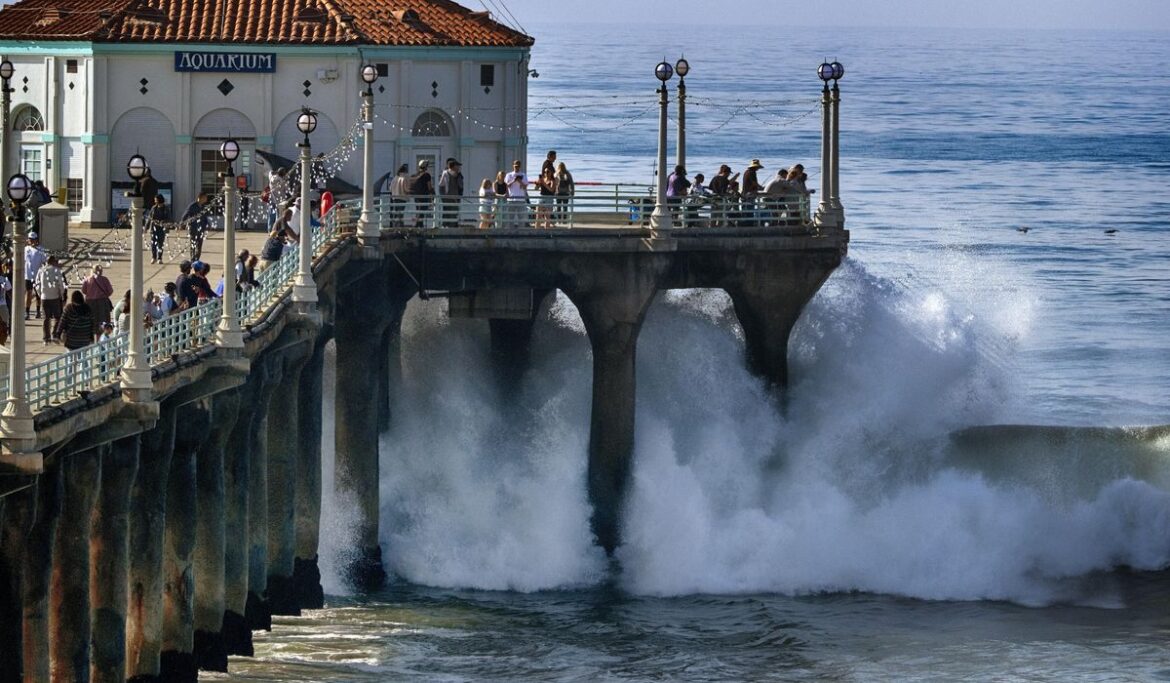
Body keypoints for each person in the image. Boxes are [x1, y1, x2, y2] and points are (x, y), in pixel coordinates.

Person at [35, 255, 67, 344]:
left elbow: (37, 284)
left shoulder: (41, 270)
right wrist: (62, 294)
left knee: (46, 318)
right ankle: (54, 335)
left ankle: (46, 338)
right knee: (58, 317)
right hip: (55, 297)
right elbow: (61, 284)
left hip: (44, 297)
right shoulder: (57, 270)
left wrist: (40, 294)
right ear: (53, 261)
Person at [80, 264, 115, 335]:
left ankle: (92, 336)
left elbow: (83, 291)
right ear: (101, 271)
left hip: (90, 303)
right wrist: (104, 295)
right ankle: (102, 337)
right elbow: (110, 291)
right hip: (102, 302)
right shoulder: (104, 279)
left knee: (91, 320)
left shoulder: (87, 279)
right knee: (103, 321)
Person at [24, 231, 47, 320]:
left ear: (36, 240)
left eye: (33, 239)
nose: (31, 241)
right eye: (30, 239)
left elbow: (44, 262)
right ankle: (27, 312)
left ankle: (38, 311)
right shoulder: (25, 249)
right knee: (28, 293)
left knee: (38, 294)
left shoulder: (41, 249)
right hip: (28, 275)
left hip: (38, 276)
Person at [182, 193, 212, 260]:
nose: (206, 199)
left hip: (201, 229)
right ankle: (193, 259)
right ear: (200, 198)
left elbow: (205, 217)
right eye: (205, 197)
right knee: (193, 244)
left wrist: (208, 224)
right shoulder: (192, 206)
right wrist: (182, 223)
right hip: (193, 228)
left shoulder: (203, 207)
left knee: (199, 245)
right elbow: (186, 214)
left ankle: (197, 259)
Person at [438, 158, 464, 228]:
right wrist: (443, 196)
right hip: (447, 197)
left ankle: (453, 225)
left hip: (455, 197)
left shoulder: (458, 175)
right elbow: (441, 185)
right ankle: (445, 226)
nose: (459, 167)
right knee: (447, 211)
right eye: (457, 166)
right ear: (453, 166)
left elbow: (460, 186)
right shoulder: (446, 173)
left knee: (454, 211)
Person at [408, 159, 434, 228]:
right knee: (422, 210)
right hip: (424, 196)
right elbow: (429, 186)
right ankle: (418, 225)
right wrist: (432, 195)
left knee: (418, 210)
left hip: (416, 196)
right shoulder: (426, 175)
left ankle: (419, 224)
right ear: (426, 167)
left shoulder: (416, 174)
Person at [503, 160, 529, 228]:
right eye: (515, 166)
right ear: (513, 166)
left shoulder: (523, 175)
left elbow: (525, 186)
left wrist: (520, 181)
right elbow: (507, 185)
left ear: (520, 166)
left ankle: (521, 231)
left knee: (521, 218)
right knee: (510, 218)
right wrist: (513, 180)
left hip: (521, 199)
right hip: (511, 199)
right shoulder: (509, 175)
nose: (516, 168)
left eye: (518, 166)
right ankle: (510, 231)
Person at [146, 194, 170, 263]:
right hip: (154, 228)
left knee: (160, 244)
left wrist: (163, 221)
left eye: (156, 199)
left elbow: (169, 218)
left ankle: (159, 258)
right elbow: (149, 218)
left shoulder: (166, 208)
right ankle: (154, 257)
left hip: (162, 229)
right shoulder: (153, 208)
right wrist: (146, 227)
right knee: (153, 243)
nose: (155, 201)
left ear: (159, 200)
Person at [554, 161, 575, 226]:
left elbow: (554, 182)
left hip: (558, 192)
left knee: (558, 207)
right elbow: (571, 183)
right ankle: (564, 220)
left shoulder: (556, 174)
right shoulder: (568, 174)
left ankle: (559, 220)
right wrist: (572, 191)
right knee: (565, 207)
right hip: (566, 192)